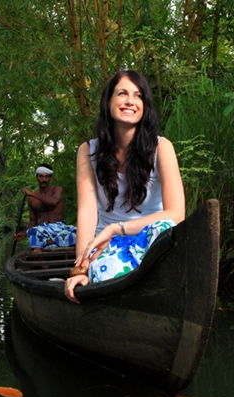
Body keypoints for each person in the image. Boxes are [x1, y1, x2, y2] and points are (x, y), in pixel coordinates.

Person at [64, 70, 185, 303]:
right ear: (108, 101)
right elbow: (87, 214)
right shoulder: (87, 152)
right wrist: (81, 268)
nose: (130, 101)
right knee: (107, 272)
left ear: (144, 106)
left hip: (152, 241)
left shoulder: (162, 148)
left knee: (166, 227)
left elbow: (176, 215)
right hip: (107, 246)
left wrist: (115, 228)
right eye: (122, 93)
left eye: (138, 96)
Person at [14, 164, 77, 251]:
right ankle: (43, 261)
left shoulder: (57, 189)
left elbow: (53, 202)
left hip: (59, 228)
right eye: (41, 176)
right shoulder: (31, 199)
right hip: (42, 230)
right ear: (37, 177)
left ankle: (49, 242)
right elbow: (33, 220)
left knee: (79, 234)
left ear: (50, 178)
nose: (44, 180)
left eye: (47, 177)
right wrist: (24, 233)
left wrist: (32, 194)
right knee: (32, 232)